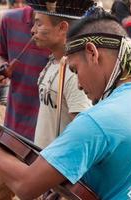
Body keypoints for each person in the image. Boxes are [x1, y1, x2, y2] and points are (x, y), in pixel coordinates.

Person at [0, 6, 131, 200]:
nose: (79, 84)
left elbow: (25, 186)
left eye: (74, 70)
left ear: (91, 52)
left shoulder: (99, 120)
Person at [0, 5, 51, 200]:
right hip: (15, 126)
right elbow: (1, 54)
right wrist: (2, 69)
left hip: (51, 131)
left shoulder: (66, 22)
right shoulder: (10, 19)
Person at [30, 1, 92, 148]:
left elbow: (82, 135)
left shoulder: (75, 73)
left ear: (62, 28)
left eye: (39, 24)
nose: (33, 30)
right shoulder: (54, 61)